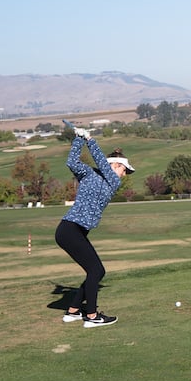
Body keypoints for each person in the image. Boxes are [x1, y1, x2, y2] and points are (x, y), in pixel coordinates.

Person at [56, 126, 134, 327]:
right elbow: (71, 162)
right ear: (115, 165)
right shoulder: (90, 174)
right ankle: (91, 316)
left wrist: (86, 139)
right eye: (124, 170)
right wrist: (81, 140)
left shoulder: (111, 182)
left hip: (72, 231)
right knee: (96, 270)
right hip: (69, 229)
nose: (124, 175)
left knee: (95, 271)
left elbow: (101, 164)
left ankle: (73, 310)